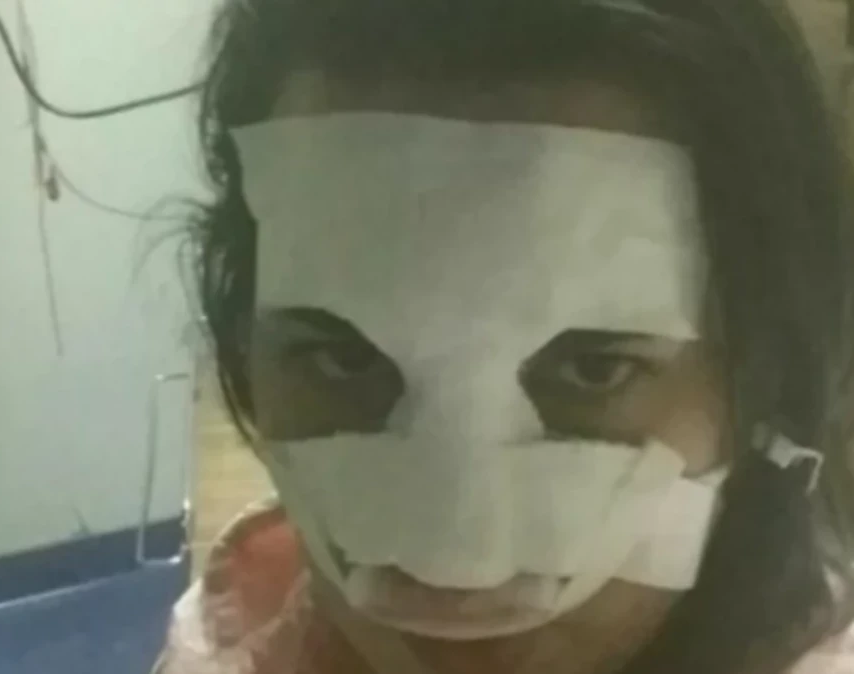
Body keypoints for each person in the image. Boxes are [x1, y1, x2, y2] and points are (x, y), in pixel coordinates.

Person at [158, 0, 854, 672]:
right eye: (343, 360)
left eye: (591, 371)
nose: (455, 571)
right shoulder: (240, 627)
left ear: (760, 382)